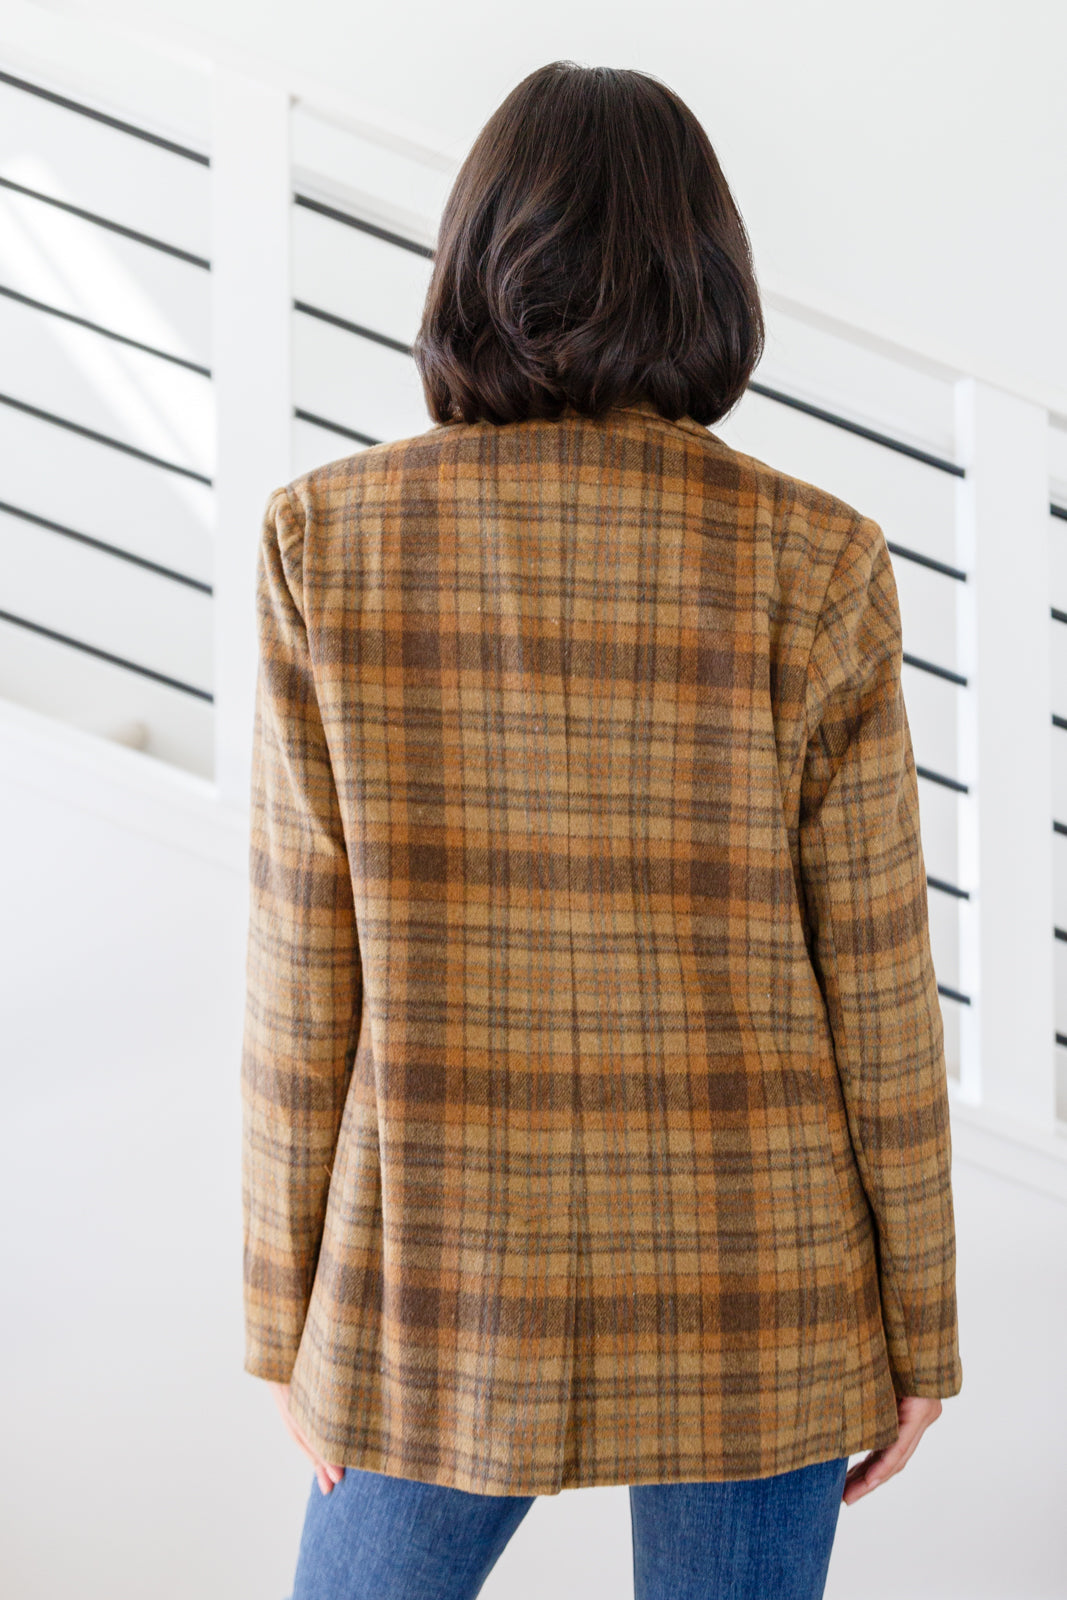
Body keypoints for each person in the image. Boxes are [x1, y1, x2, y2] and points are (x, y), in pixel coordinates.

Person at [240, 59, 962, 1600]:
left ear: (474, 260)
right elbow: (882, 987)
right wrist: (922, 1330)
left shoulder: (326, 542)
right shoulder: (819, 559)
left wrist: (285, 1319)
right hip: (757, 1280)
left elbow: (304, 975)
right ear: (708, 272)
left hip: (438, 1273)